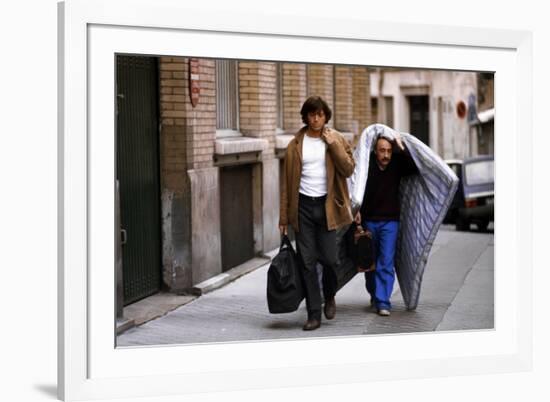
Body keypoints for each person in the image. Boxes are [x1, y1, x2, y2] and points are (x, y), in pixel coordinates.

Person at [279, 96, 355, 331]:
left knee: (331, 259)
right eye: (312, 114)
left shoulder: (336, 138)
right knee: (307, 263)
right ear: (306, 116)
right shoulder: (294, 145)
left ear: (326, 116)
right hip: (303, 208)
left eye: (320, 114)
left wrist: (332, 144)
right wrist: (284, 217)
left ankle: (329, 295)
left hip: (328, 207)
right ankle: (314, 313)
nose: (316, 119)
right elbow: (287, 184)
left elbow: (349, 168)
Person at [354, 133, 418, 317]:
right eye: (382, 151)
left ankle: (383, 301)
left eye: (389, 151)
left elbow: (414, 167)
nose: (386, 155)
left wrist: (402, 148)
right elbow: (355, 183)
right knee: (369, 263)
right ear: (375, 151)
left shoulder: (397, 163)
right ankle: (375, 294)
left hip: (390, 221)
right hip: (368, 221)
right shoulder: (367, 165)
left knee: (386, 262)